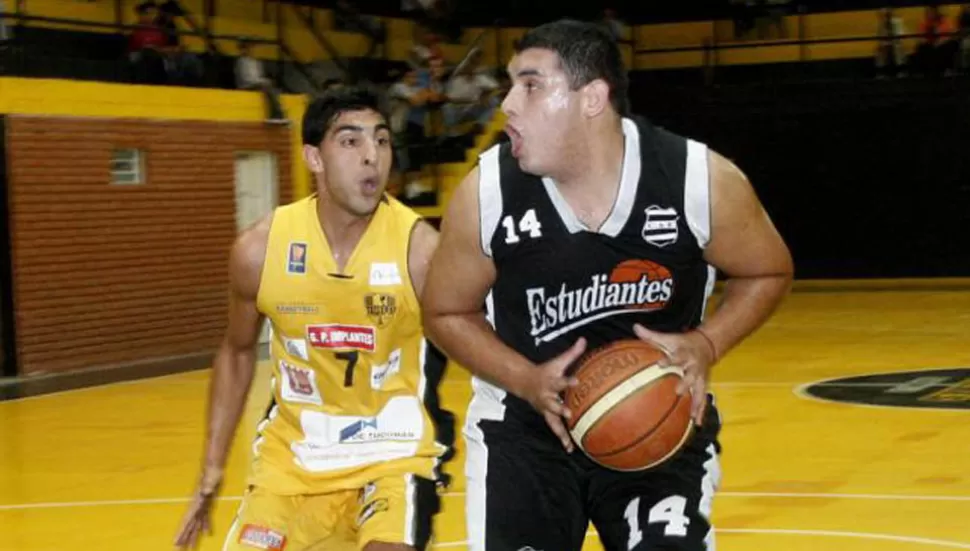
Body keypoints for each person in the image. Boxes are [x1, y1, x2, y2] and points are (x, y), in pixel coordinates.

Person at [422, 19, 793, 551]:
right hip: (525, 433)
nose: (507, 104)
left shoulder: (695, 179)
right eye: (509, 85)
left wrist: (708, 343)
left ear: (592, 97)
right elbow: (445, 312)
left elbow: (769, 269)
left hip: (658, 430)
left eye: (530, 85)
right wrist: (526, 379)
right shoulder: (487, 194)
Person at [173, 86, 455, 551]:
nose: (372, 156)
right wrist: (211, 469)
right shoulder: (259, 251)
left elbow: (476, 334)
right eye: (351, 141)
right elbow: (237, 351)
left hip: (395, 454)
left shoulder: (421, 250)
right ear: (314, 158)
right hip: (294, 461)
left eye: (381, 141)